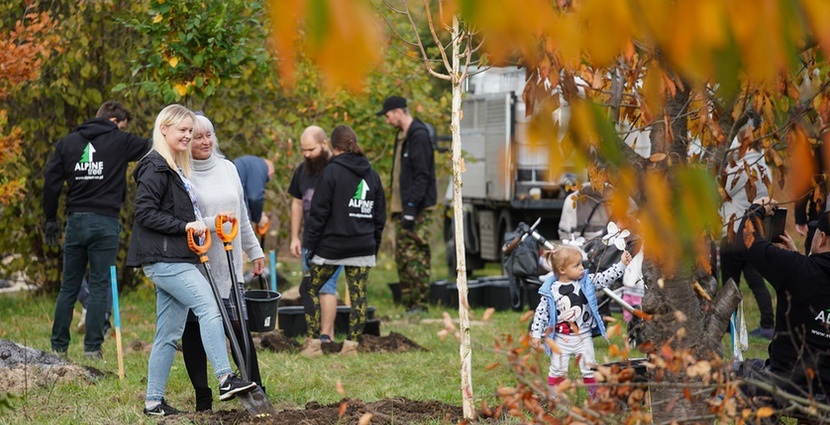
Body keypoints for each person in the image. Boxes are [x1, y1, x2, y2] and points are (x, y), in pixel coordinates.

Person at [126, 104, 255, 416]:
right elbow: (144, 213)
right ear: (164, 130)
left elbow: (183, 216)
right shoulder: (155, 166)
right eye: (182, 130)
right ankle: (225, 378)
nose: (188, 135)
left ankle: (153, 402)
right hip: (165, 259)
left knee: (168, 334)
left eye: (190, 130)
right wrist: (184, 227)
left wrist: (211, 223)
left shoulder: (173, 166)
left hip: (175, 256)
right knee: (210, 307)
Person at [44, 100, 151, 359]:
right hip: (105, 223)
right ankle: (92, 349)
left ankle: (58, 348)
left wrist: (50, 219)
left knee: (69, 286)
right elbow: (155, 144)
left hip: (76, 222)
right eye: (121, 126)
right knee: (100, 284)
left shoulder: (67, 143)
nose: (122, 131)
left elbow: (50, 183)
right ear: (114, 121)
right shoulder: (121, 141)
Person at [181, 112, 267, 411]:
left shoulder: (229, 168)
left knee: (239, 327)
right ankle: (203, 397)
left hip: (229, 265)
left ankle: (256, 386)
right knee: (194, 330)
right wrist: (212, 222)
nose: (205, 142)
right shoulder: (181, 173)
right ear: (185, 140)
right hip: (197, 263)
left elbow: (241, 215)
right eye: (197, 137)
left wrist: (254, 251)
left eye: (208, 135)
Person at [731, 197, 830, 406]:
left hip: (786, 384)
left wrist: (757, 208)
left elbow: (747, 240)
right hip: (826, 392)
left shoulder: (796, 269)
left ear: (822, 239)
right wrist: (797, 257)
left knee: (732, 375)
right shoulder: (798, 267)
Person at [303, 125, 386, 356]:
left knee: (308, 288)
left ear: (334, 145)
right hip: (363, 245)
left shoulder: (331, 172)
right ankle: (351, 346)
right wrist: (373, 245)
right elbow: (380, 216)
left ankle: (313, 345)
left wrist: (310, 245)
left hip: (332, 247)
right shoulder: (372, 174)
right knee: (358, 295)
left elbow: (319, 213)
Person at [530, 245, 632, 398]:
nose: (582, 268)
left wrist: (622, 264)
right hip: (560, 338)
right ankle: (555, 398)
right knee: (557, 369)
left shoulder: (586, 281)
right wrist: (536, 334)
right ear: (562, 270)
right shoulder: (551, 290)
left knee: (590, 367)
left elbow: (604, 278)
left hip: (583, 336)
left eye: (581, 264)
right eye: (576, 265)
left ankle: (595, 397)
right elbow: (541, 313)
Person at [376, 95, 436, 313]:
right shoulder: (402, 136)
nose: (387, 119)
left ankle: (420, 304)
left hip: (417, 208)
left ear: (399, 111)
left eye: (388, 115)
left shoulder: (418, 135)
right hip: (401, 208)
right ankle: (410, 303)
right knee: (402, 256)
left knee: (416, 255)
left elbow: (422, 175)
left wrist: (411, 207)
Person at [287, 125, 343, 355]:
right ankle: (314, 336)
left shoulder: (337, 168)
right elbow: (297, 203)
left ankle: (326, 335)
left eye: (311, 149)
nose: (307, 154)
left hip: (334, 239)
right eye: (303, 150)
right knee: (311, 286)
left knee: (327, 287)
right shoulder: (303, 170)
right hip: (309, 239)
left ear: (324, 144)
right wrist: (294, 237)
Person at [718, 119, 775, 339]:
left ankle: (725, 324)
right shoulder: (764, 167)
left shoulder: (738, 167)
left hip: (733, 231)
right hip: (754, 231)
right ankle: (768, 323)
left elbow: (723, 189)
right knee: (756, 279)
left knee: (729, 283)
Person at [232, 155, 275, 232]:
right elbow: (255, 197)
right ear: (271, 174)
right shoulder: (262, 166)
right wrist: (259, 218)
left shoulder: (250, 163)